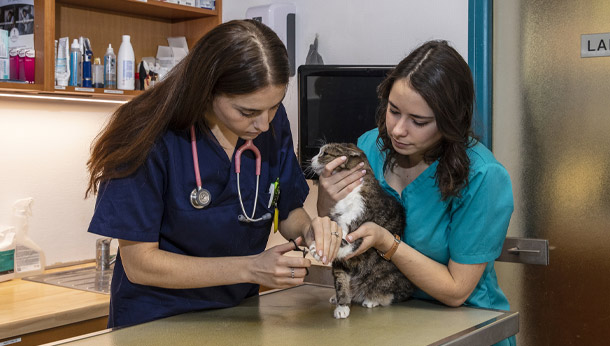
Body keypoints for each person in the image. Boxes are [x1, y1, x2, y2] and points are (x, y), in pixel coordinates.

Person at [86, 20, 342, 328]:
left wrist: (311, 230)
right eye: (247, 112)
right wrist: (250, 269)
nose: (263, 124)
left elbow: (286, 210)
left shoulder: (271, 124)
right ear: (207, 90)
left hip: (238, 315)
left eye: (273, 107)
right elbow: (140, 264)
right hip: (156, 321)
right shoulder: (144, 131)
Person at [316, 40, 515, 346]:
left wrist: (386, 242)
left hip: (467, 328)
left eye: (418, 121)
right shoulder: (369, 146)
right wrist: (327, 198)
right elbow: (330, 214)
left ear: (450, 122)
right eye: (393, 111)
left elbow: (456, 291)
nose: (397, 130)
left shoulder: (483, 177)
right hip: (389, 324)